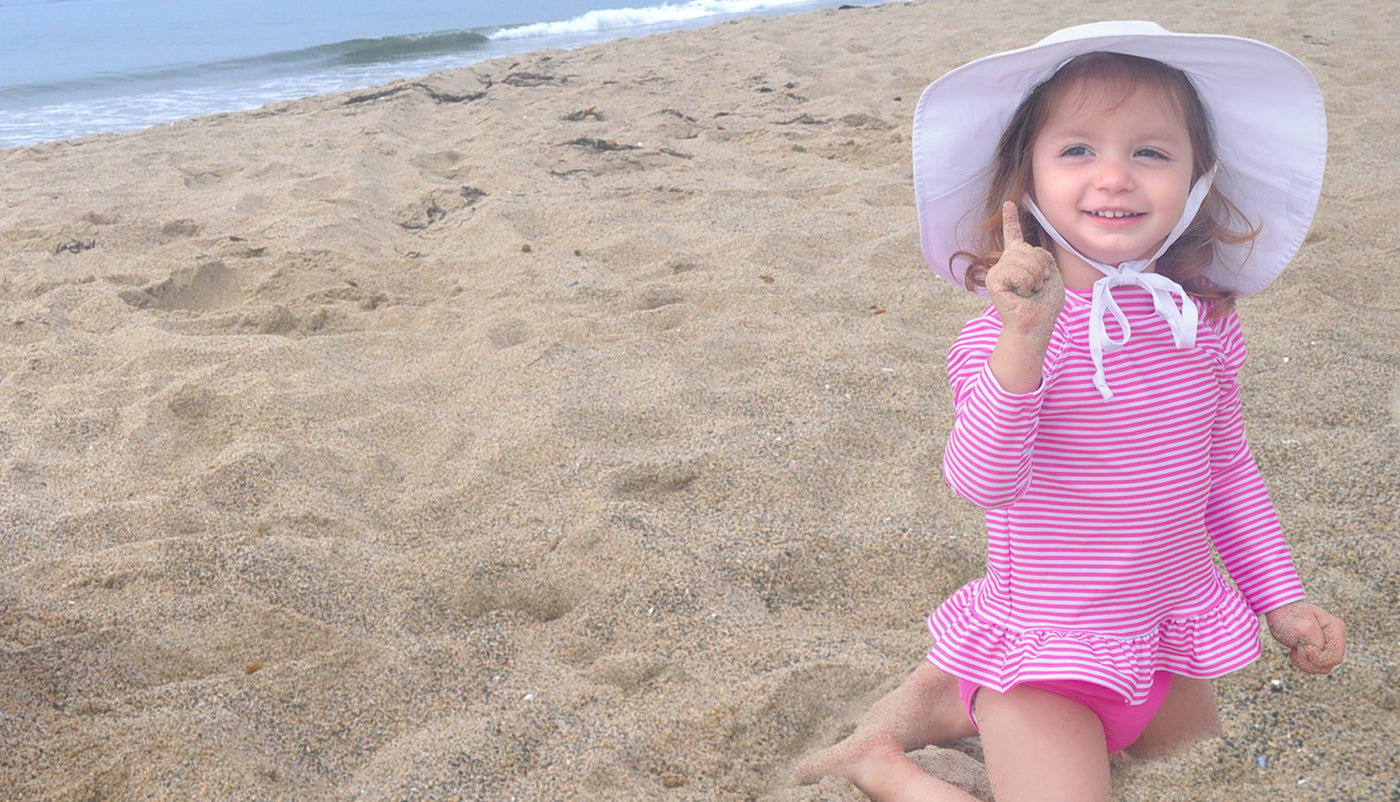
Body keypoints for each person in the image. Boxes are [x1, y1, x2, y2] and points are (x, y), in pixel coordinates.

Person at [790, 21, 1346, 802]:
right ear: (1028, 182)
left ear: (1197, 178)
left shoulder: (1203, 322)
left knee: (1195, 774)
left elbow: (1228, 473)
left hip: (1166, 643)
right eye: (1078, 150)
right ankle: (885, 764)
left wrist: (1279, 599)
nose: (1114, 176)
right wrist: (1025, 340)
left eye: (1150, 151)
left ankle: (944, 700)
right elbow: (983, 480)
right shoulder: (999, 338)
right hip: (1043, 667)